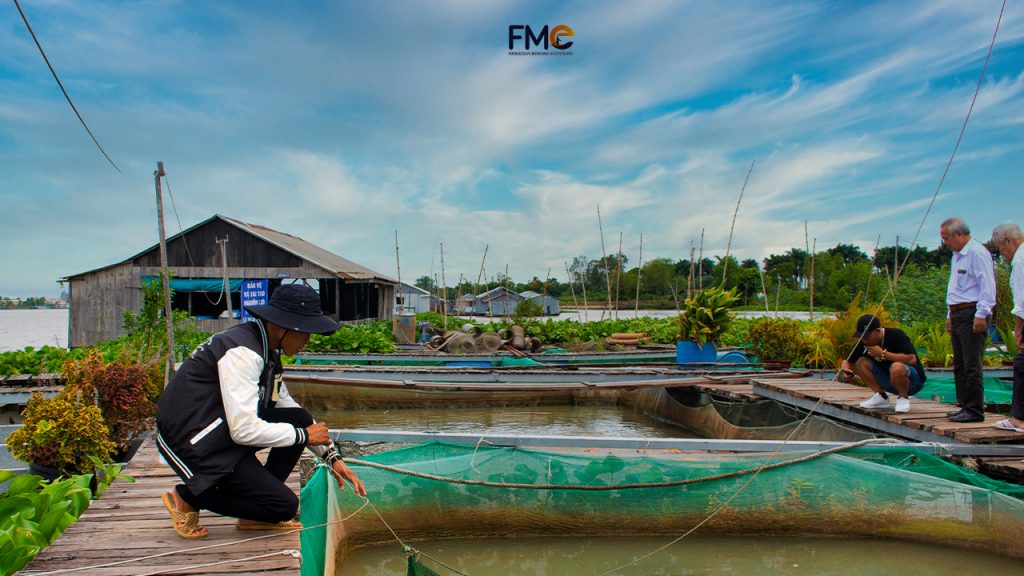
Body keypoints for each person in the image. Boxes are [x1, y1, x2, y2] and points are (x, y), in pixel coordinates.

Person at [155, 284, 366, 539]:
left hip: (218, 428)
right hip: (191, 438)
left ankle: (255, 512)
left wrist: (332, 457)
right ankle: (188, 496)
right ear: (285, 325)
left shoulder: (267, 349)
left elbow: (287, 405)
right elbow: (243, 430)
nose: (308, 340)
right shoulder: (244, 353)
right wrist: (304, 436)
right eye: (305, 332)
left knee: (298, 419)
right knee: (284, 506)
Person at [940, 217, 996, 423]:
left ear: (959, 234)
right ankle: (964, 405)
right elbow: (955, 287)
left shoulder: (977, 253)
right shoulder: (957, 255)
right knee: (960, 363)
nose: (945, 242)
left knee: (972, 363)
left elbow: (987, 285)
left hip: (972, 311)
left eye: (946, 238)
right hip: (957, 312)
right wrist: (949, 315)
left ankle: (974, 409)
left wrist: (981, 313)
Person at [842, 314, 926, 413]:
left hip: (912, 382)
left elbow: (912, 359)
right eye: (861, 336)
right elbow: (847, 361)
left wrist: (883, 353)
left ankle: (903, 398)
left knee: (897, 367)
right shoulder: (864, 342)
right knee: (861, 362)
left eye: (867, 336)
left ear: (878, 331)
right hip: (889, 381)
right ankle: (881, 397)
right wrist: (846, 369)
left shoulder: (896, 335)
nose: (864, 339)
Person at [991, 223, 1024, 432]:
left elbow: (1022, 302)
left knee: (1021, 365)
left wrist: (1019, 330)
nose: (1002, 255)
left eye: (1001, 249)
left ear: (1009, 241)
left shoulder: (1020, 260)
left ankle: (1018, 419)